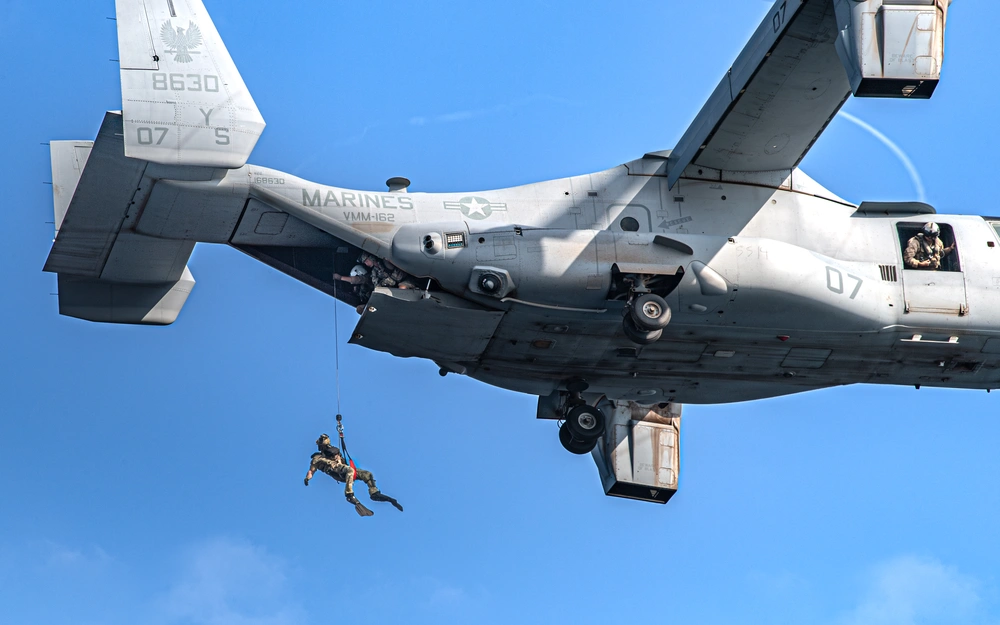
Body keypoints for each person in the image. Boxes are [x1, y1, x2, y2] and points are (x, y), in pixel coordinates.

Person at [304, 433, 403, 517]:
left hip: (344, 469)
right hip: (335, 471)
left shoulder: (333, 450)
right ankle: (349, 494)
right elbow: (311, 471)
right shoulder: (317, 458)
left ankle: (374, 493)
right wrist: (307, 479)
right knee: (350, 470)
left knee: (367, 474)